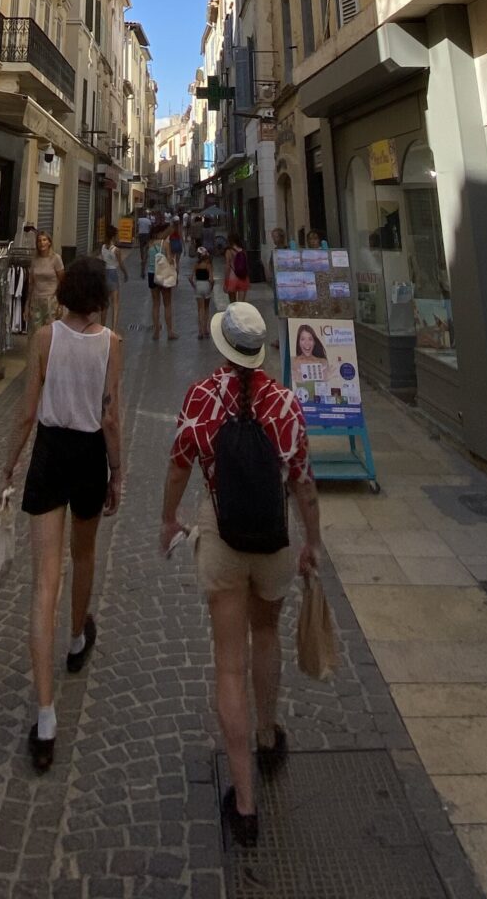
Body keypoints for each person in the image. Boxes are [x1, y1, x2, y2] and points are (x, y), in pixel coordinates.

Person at [160, 302, 322, 847]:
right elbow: (302, 480)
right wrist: (312, 542)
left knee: (229, 665)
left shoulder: (202, 398)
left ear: (223, 347)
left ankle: (245, 803)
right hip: (274, 539)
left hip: (223, 537)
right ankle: (268, 733)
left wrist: (167, 520)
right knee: (267, 633)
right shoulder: (284, 403)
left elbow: (180, 463)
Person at [2, 260, 123, 772]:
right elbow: (111, 414)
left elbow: (28, 410)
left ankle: (46, 716)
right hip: (90, 455)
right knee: (85, 551)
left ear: (67, 292)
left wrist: (9, 465)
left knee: (42, 583)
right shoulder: (112, 344)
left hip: (50, 454)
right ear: (101, 297)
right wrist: (119, 471)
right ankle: (77, 636)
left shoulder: (47, 337)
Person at [27, 229, 64, 332]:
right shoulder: (35, 260)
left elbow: (62, 282)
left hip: (51, 301)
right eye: (39, 241)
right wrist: (27, 305)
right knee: (35, 333)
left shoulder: (56, 259)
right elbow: (31, 284)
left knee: (50, 332)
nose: (42, 243)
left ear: (49, 242)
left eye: (44, 240)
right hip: (36, 300)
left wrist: (61, 304)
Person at [151, 227, 180, 340]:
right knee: (167, 304)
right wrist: (173, 259)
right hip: (163, 276)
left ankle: (156, 332)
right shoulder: (165, 244)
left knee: (155, 305)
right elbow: (169, 259)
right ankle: (169, 332)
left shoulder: (150, 244)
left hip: (151, 275)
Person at [100, 231, 127, 330]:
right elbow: (120, 264)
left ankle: (102, 326)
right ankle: (114, 329)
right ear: (114, 237)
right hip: (113, 274)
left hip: (104, 274)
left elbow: (102, 261)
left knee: (104, 303)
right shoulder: (116, 250)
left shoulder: (103, 247)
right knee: (115, 303)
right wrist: (125, 273)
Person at [191, 244, 215, 341]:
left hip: (198, 285)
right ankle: (206, 329)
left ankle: (200, 331)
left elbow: (190, 278)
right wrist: (211, 287)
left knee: (200, 309)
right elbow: (212, 279)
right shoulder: (208, 265)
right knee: (206, 309)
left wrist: (194, 286)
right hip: (206, 285)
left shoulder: (196, 265)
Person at [225, 237, 250, 304]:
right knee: (241, 304)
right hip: (243, 278)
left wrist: (226, 282)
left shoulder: (229, 251)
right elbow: (246, 265)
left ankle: (234, 314)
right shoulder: (243, 251)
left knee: (232, 304)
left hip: (232, 279)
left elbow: (227, 267)